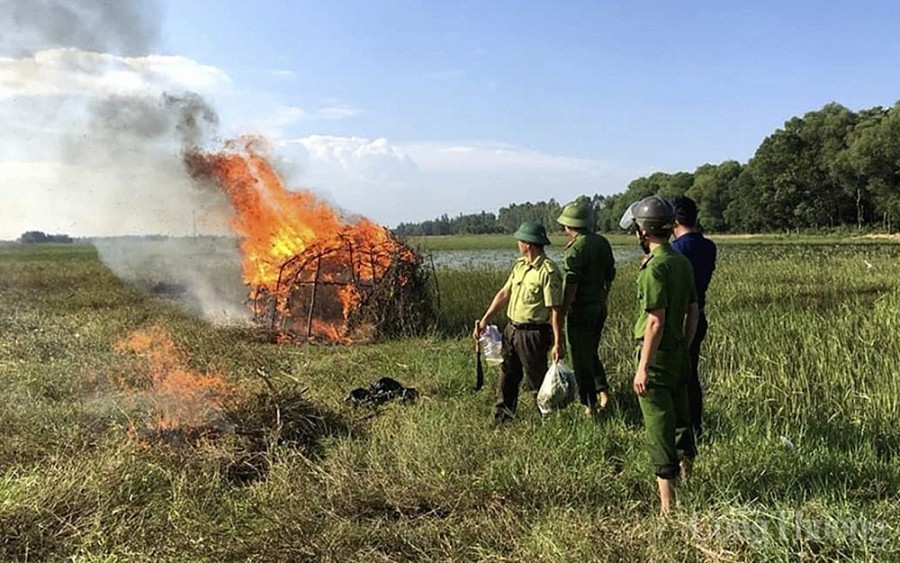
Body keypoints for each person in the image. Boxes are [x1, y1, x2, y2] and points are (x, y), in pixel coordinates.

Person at [620, 196, 699, 515]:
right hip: (679, 352)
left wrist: (643, 367)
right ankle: (689, 482)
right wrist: (685, 345)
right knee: (682, 419)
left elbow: (655, 320)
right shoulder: (681, 261)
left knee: (658, 424)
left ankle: (668, 508)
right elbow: (693, 311)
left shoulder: (654, 268)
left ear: (644, 232)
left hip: (657, 357)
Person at [473, 221, 565, 424]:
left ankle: (548, 421)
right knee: (507, 375)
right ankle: (503, 417)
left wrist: (558, 342)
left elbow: (556, 311)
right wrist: (486, 319)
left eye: (520, 241)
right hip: (511, 330)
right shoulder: (520, 266)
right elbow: (505, 293)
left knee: (537, 381)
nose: (518, 244)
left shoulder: (548, 272)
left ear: (528, 244)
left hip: (533, 334)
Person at [556, 201, 616, 418]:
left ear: (570, 226)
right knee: (591, 352)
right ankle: (604, 394)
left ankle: (588, 404)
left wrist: (562, 311)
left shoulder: (576, 249)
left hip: (580, 311)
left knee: (580, 358)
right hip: (599, 307)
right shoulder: (602, 242)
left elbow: (571, 285)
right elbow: (610, 274)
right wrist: (603, 296)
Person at [670, 196, 717, 444]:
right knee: (691, 375)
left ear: (674, 220)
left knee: (676, 377)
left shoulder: (677, 250)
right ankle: (696, 427)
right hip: (700, 317)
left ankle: (681, 431)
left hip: (679, 320)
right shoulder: (709, 247)